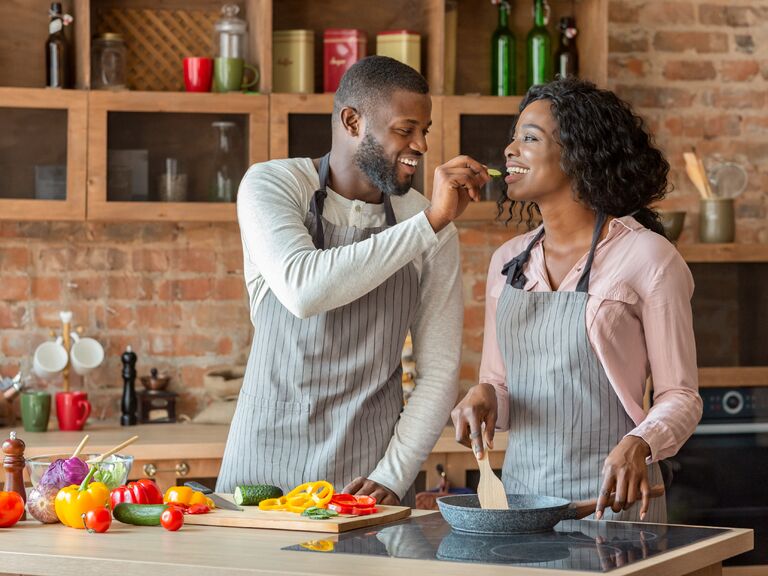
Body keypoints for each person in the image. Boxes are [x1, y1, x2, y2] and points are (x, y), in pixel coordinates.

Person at [216, 56, 490, 505]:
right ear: (352, 121)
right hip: (260, 466)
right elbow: (304, 290)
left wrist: (393, 475)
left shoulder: (429, 224)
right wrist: (430, 221)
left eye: (426, 130)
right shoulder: (272, 185)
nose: (421, 145)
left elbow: (438, 371)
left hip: (366, 477)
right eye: (406, 130)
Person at [451, 77, 702, 522]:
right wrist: (483, 395)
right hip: (521, 506)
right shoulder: (509, 261)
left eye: (529, 138)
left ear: (578, 153)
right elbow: (503, 386)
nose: (509, 150)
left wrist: (640, 443)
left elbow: (680, 396)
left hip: (612, 504)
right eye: (513, 138)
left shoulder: (647, 257)